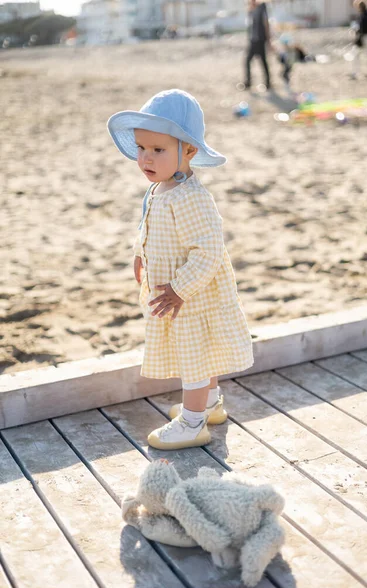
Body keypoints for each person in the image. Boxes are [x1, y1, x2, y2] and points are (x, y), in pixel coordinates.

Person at [107, 89, 254, 451]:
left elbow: (208, 250)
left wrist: (179, 289)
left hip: (192, 298)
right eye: (142, 148)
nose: (146, 158)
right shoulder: (162, 188)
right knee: (203, 351)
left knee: (194, 356)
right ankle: (211, 402)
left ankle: (193, 422)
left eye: (158, 150)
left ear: (188, 151)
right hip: (178, 293)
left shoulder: (191, 197)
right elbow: (150, 227)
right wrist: (140, 254)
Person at [244, 0, 272, 90]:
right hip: (253, 40)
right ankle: (248, 82)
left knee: (263, 61)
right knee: (248, 61)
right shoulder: (251, 11)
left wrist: (269, 40)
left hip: (260, 40)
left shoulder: (262, 8)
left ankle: (268, 83)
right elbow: (250, 25)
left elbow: (266, 24)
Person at [351, 0, 367, 78]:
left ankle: (355, 72)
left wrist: (357, 32)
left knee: (357, 54)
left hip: (363, 37)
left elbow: (363, 27)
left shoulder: (364, 15)